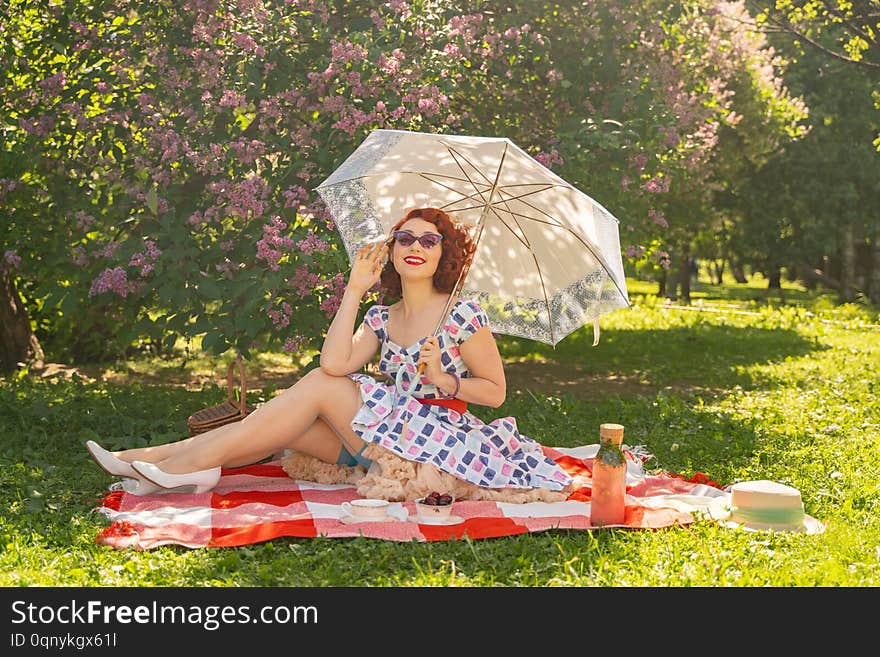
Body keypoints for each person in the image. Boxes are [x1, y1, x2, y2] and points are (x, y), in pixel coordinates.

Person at [85, 207, 573, 495]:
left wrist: (443, 378)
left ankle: (174, 471)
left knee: (318, 389)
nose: (416, 246)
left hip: (436, 439)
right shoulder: (383, 316)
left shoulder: (463, 315)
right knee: (275, 424)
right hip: (384, 432)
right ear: (392, 251)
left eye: (430, 240)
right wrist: (355, 289)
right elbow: (337, 362)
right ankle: (146, 465)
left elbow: (496, 393)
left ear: (446, 255)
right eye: (405, 238)